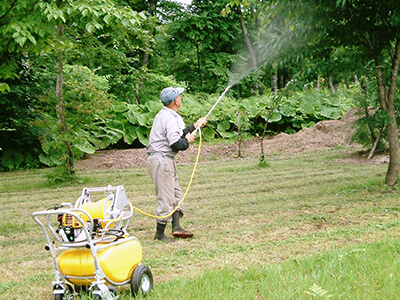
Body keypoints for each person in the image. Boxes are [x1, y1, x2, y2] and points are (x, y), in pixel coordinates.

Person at [147, 86, 207, 242]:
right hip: (162, 160)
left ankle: (176, 227)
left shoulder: (167, 115)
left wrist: (195, 126)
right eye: (179, 95)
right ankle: (159, 235)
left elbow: (178, 134)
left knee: (176, 195)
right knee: (167, 197)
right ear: (176, 100)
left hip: (164, 159)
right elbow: (176, 143)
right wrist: (188, 141)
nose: (181, 97)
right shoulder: (168, 118)